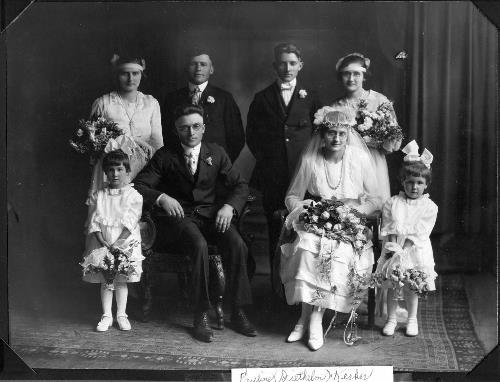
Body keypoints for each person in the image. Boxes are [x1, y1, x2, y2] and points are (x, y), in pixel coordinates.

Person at [134, 103, 256, 343]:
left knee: (237, 244)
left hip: (211, 216)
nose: (191, 133)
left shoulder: (217, 152)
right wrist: (162, 197)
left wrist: (229, 207)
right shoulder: (165, 155)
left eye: (196, 127)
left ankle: (238, 311)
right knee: (198, 244)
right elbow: (139, 185)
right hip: (180, 218)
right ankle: (200, 313)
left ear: (204, 128)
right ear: (176, 130)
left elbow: (240, 185)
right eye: (184, 128)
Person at [279, 106, 382, 351]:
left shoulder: (360, 159)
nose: (336, 139)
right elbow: (292, 196)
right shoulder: (310, 160)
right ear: (322, 135)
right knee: (306, 248)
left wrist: (353, 212)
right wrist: (309, 210)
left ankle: (312, 319)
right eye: (331, 133)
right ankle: (306, 318)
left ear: (349, 135)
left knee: (335, 253)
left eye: (342, 134)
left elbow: (376, 200)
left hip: (350, 223)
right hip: (318, 220)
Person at [246, 43, 321, 283]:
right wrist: (271, 163)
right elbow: (252, 136)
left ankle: (303, 286)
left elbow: (321, 136)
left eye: (292, 63)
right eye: (282, 63)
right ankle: (276, 287)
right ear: (274, 65)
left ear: (301, 65)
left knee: (307, 230)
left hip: (306, 177)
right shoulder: (262, 98)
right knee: (275, 230)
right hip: (273, 177)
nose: (287, 68)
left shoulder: (312, 97)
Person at [375, 140, 438, 337]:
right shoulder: (392, 203)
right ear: (402, 182)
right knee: (393, 283)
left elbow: (421, 231)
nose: (414, 186)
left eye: (419, 183)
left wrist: (404, 250)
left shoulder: (429, 207)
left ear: (426, 184)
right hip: (394, 247)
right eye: (410, 182)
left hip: (415, 250)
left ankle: (412, 319)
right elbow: (389, 226)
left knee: (412, 284)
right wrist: (394, 251)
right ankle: (392, 319)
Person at [80, 150, 144, 332]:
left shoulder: (133, 196)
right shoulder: (99, 196)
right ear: (105, 173)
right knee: (106, 279)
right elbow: (94, 222)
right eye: (110, 170)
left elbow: (131, 222)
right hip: (102, 243)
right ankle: (106, 315)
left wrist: (117, 244)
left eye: (119, 169)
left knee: (121, 279)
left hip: (124, 243)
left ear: (127, 171)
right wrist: (103, 243)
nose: (115, 174)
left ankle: (121, 314)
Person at [87, 54, 163, 202]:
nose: (130, 78)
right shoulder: (104, 103)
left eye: (135, 73)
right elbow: (92, 143)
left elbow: (157, 143)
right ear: (117, 75)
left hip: (144, 171)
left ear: (142, 74)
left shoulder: (151, 103)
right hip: (112, 171)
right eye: (125, 73)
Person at [331, 52, 401, 203]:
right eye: (346, 74)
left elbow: (395, 140)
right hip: (346, 165)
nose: (351, 79)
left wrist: (375, 140)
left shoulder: (379, 100)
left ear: (365, 76)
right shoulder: (335, 106)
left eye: (356, 74)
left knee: (374, 208)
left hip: (374, 163)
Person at [162, 50, 245, 162]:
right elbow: (165, 135)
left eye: (203, 64)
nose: (198, 68)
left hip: (214, 168)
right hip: (179, 166)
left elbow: (237, 138)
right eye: (193, 64)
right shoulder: (172, 99)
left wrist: (221, 165)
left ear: (211, 69)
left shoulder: (224, 98)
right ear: (187, 67)